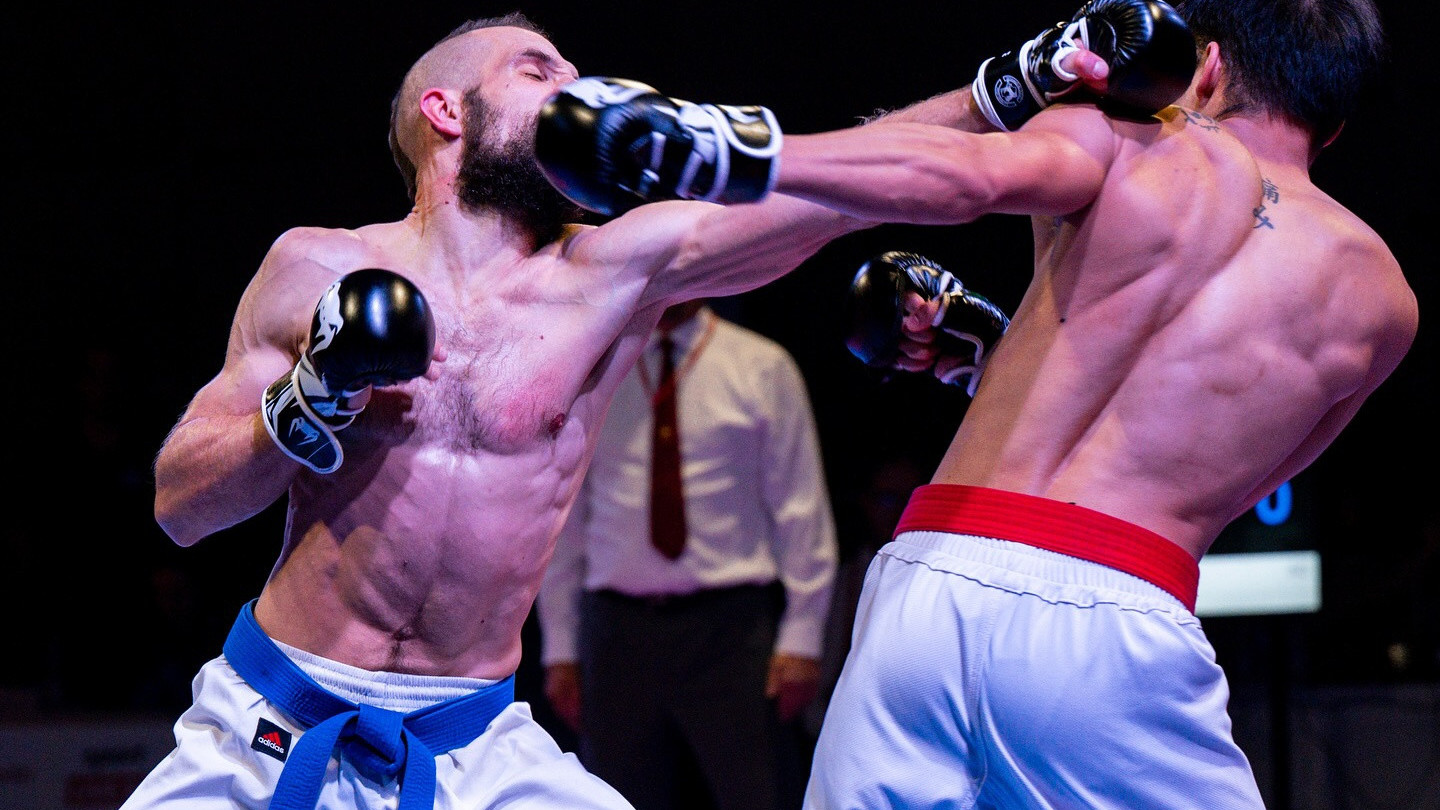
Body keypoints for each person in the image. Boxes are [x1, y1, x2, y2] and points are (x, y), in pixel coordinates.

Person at [129, 8, 1101, 810]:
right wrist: (305, 402)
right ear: (446, 110)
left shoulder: (614, 274)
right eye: (537, 71)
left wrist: (1008, 88)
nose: (576, 92)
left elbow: (845, 188)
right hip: (272, 721)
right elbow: (182, 507)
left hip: (476, 745)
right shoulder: (318, 265)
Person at [536, 0, 1416, 807]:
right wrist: (998, 353)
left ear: (1208, 63)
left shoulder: (1135, 134)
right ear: (1334, 125)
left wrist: (721, 147)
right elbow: (1230, 473)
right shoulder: (1381, 300)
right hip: (1117, 624)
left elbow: (967, 176)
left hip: (932, 583)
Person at [536, 299, 838, 810]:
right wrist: (560, 648)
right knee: (612, 799)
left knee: (758, 797)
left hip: (732, 629)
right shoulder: (596, 370)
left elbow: (800, 509)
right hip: (617, 632)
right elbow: (565, 519)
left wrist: (803, 639)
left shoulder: (761, 365)